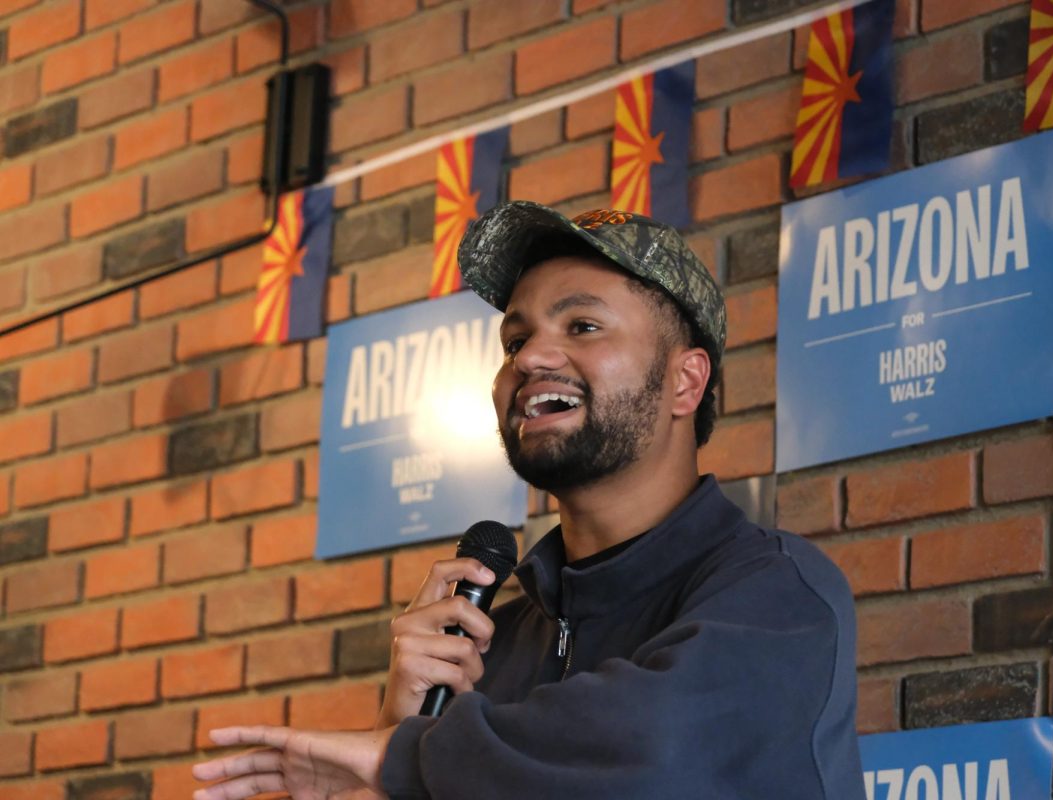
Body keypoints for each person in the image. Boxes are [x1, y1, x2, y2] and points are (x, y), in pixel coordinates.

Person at [193, 202, 865, 799]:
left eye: (582, 327)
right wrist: (401, 721)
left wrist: (408, 755)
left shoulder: (777, 594)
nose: (532, 356)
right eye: (515, 340)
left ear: (684, 384)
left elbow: (653, 754)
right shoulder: (489, 645)